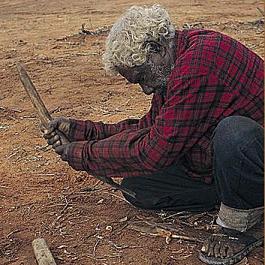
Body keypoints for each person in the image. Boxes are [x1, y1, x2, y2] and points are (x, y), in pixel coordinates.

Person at [43, 5, 264, 265]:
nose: (147, 90)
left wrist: (80, 153)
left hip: (252, 154)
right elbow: (149, 128)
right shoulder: (175, 61)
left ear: (155, 48)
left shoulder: (199, 62)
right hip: (228, 163)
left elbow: (154, 152)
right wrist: (81, 131)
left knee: (235, 134)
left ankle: (240, 227)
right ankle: (241, 193)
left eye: (142, 78)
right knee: (140, 188)